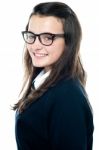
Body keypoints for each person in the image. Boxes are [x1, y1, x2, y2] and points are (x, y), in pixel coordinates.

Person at [13, 2, 94, 150]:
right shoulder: (44, 81)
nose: (35, 45)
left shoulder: (68, 97)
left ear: (69, 42)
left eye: (47, 37)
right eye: (32, 35)